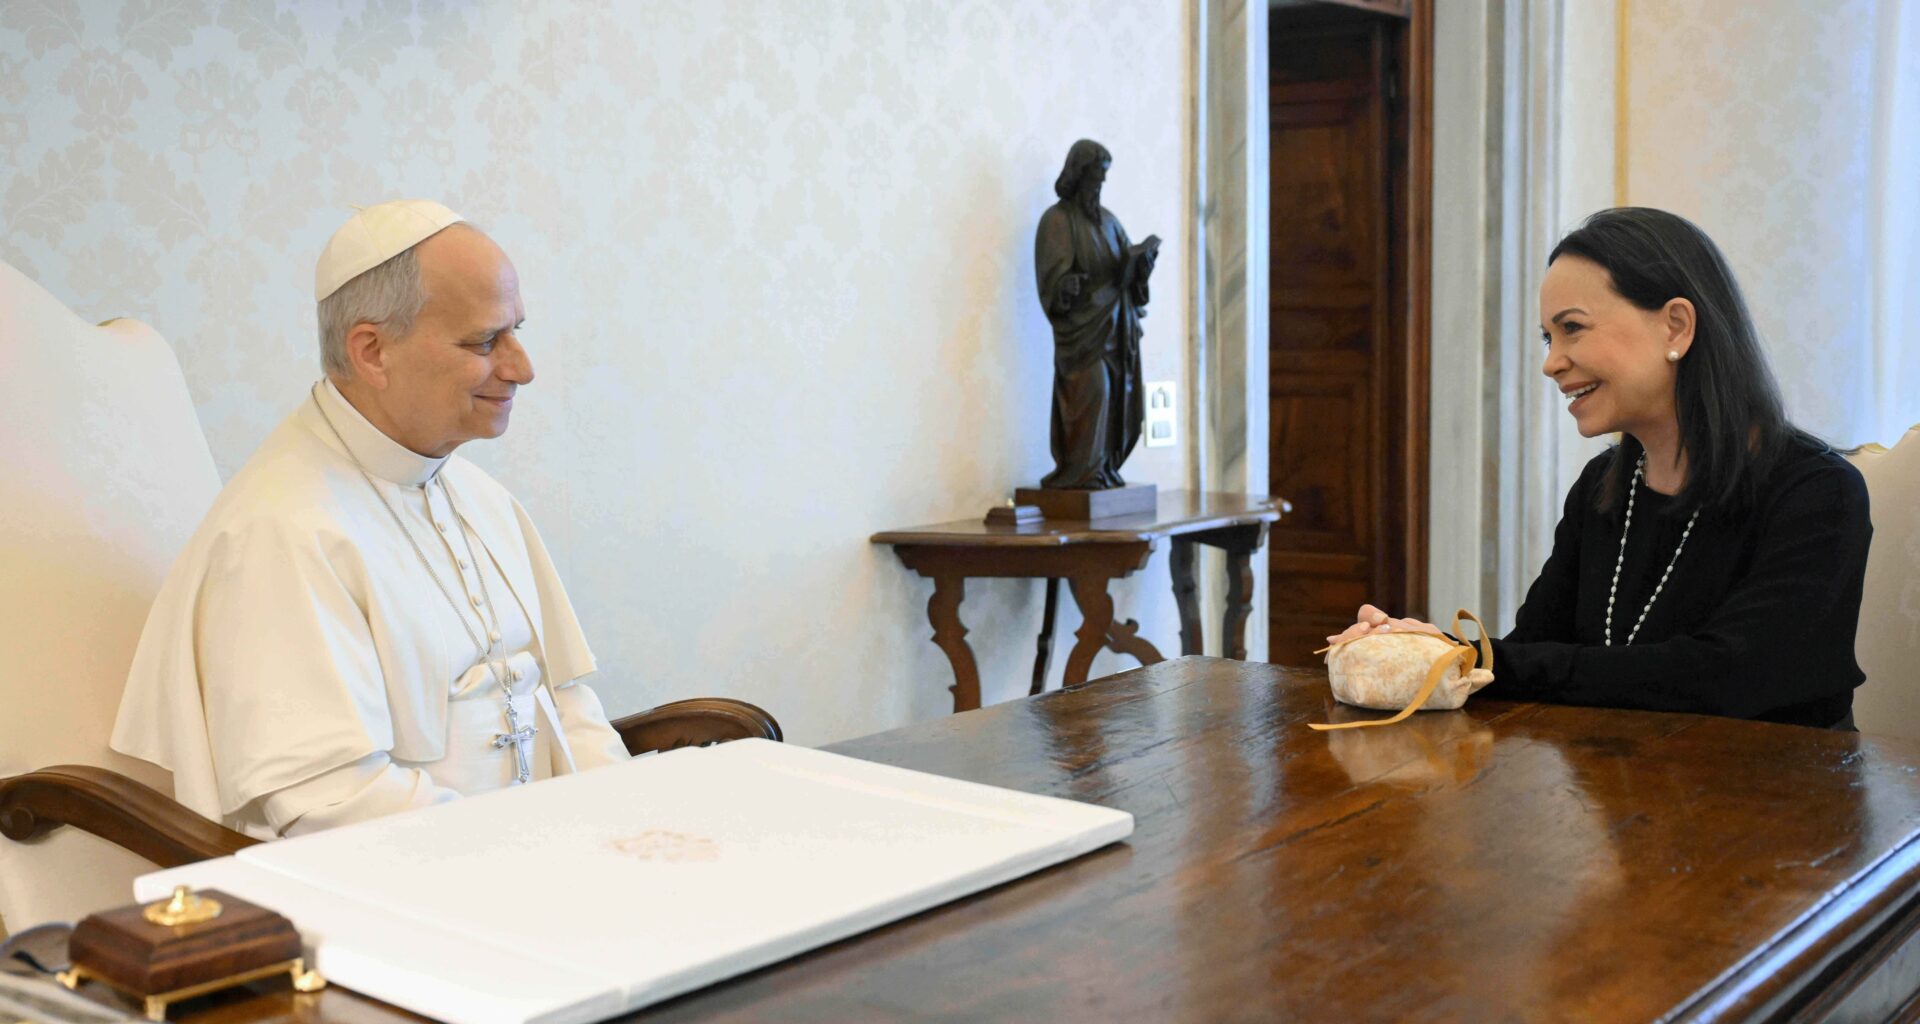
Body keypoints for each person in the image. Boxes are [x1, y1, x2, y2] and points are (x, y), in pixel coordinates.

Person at [112, 200, 630, 838]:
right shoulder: (282, 532)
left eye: (517, 330)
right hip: (408, 891)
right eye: (485, 340)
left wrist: (628, 831)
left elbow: (566, 706)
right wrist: (521, 859)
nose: (522, 367)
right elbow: (332, 802)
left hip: (536, 863)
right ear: (372, 351)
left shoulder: (481, 497)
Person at [1330, 207, 1871, 729]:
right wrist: (1422, 654)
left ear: (1676, 328)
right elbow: (1535, 649)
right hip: (1622, 795)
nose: (1551, 362)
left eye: (1572, 328)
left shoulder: (1819, 492)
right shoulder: (1604, 487)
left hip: (1782, 804)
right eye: (1548, 336)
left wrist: (1475, 660)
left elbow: (1726, 678)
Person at [1034, 139, 1160, 489]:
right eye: (1094, 178)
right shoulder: (1057, 221)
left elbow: (1126, 275)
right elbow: (1050, 280)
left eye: (1103, 179)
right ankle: (1081, 473)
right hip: (1083, 335)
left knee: (1119, 398)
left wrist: (1142, 268)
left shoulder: (1110, 222)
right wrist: (1064, 288)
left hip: (1117, 328)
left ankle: (1103, 470)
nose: (1099, 187)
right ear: (1077, 175)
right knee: (1096, 391)